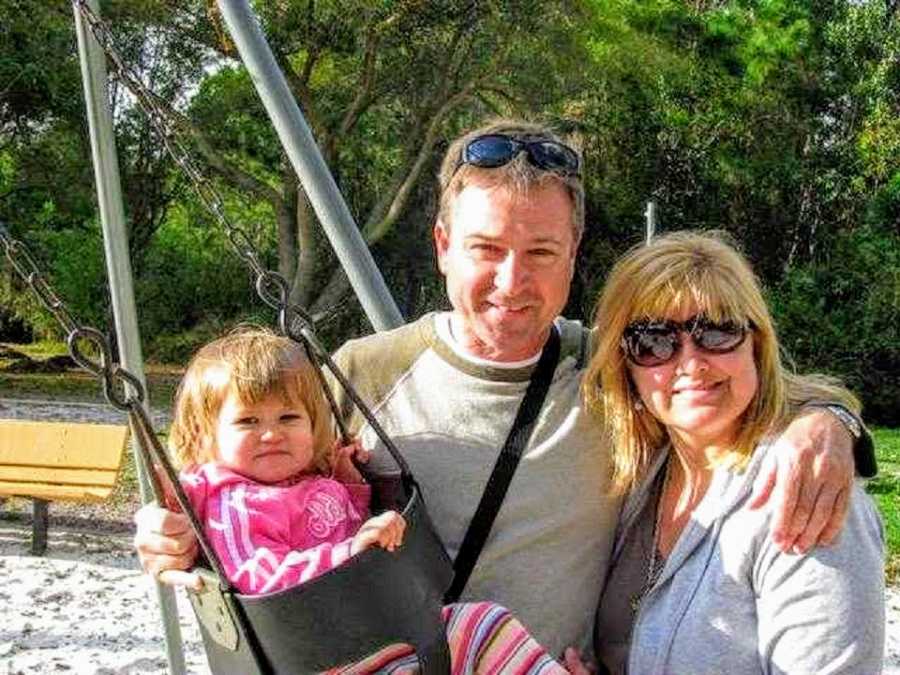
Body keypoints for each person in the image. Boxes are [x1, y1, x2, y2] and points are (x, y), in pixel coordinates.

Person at [134, 119, 869, 659]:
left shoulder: (610, 370)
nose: (512, 283)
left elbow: (714, 384)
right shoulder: (358, 376)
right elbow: (237, 481)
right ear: (444, 245)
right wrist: (170, 537)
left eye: (541, 252)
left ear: (574, 255)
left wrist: (828, 420)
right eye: (487, 249)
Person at [170, 327, 574, 674]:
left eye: (288, 419)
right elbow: (258, 578)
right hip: (321, 654)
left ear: (312, 425)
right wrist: (350, 552)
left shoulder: (308, 481)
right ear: (206, 436)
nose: (271, 434)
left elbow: (339, 524)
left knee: (485, 622)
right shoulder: (236, 504)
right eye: (248, 421)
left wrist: (350, 486)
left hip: (373, 635)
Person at [582, 231, 885, 674]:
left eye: (717, 331)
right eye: (653, 341)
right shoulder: (645, 475)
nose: (690, 363)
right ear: (624, 364)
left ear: (756, 344)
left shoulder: (808, 497)